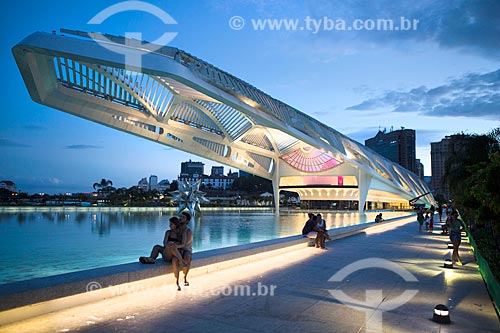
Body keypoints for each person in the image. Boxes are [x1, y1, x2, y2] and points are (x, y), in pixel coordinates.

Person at [171, 211, 193, 291]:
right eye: (180, 217)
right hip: (178, 249)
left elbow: (185, 244)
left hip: (186, 249)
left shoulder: (188, 231)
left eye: (183, 218)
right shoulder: (177, 229)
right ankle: (177, 281)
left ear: (187, 221)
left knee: (187, 257)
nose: (180, 219)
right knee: (175, 260)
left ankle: (185, 277)